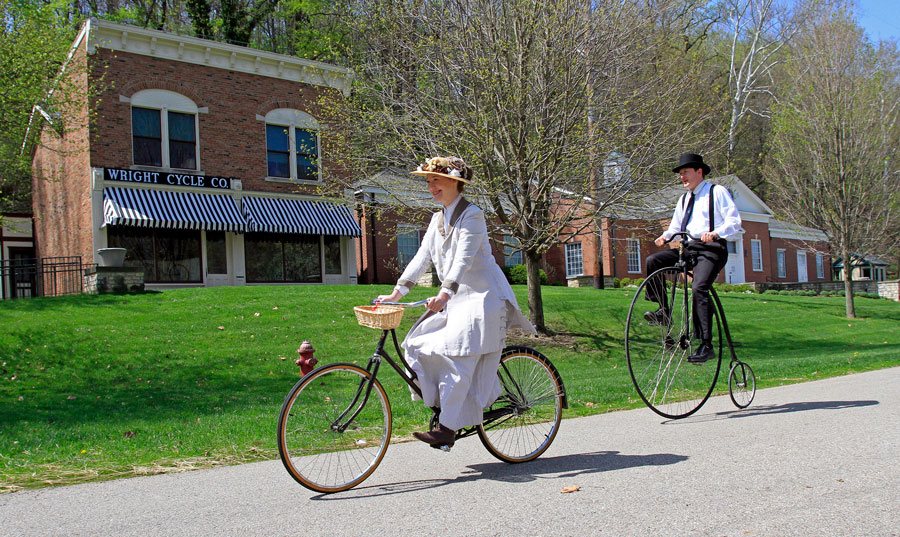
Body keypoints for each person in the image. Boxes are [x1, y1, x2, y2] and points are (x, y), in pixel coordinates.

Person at [377, 156, 535, 449]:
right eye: (428, 181)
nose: (431, 186)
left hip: (481, 299)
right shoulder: (438, 218)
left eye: (436, 180)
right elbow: (421, 257)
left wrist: (444, 294)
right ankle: (445, 407)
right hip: (454, 298)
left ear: (455, 182)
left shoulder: (472, 215)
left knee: (459, 356)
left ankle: (447, 429)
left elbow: (463, 259)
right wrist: (396, 294)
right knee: (418, 342)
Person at [644, 153, 742, 363]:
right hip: (689, 249)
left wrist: (715, 233)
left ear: (699, 171)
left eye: (685, 172)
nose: (682, 177)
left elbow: (734, 222)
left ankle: (706, 344)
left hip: (711, 249)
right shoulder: (684, 199)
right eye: (680, 174)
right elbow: (675, 227)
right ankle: (663, 310)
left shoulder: (717, 192)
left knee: (699, 288)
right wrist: (665, 236)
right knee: (653, 261)